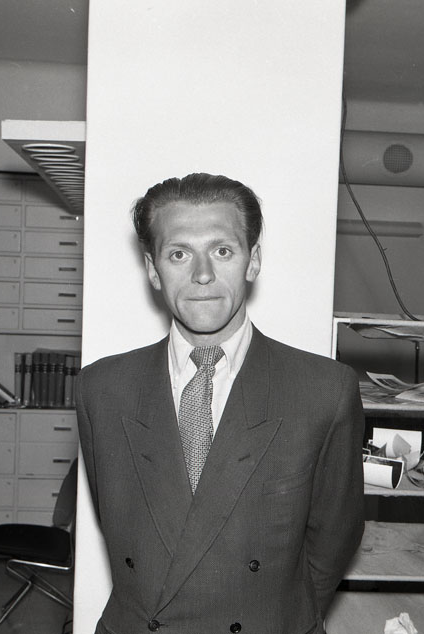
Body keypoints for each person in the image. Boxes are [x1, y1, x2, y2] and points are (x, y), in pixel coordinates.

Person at [76, 173, 365, 634]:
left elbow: (335, 539)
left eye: (223, 251)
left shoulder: (323, 391)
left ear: (253, 261)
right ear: (152, 270)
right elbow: (126, 528)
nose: (203, 274)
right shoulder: (103, 390)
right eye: (179, 254)